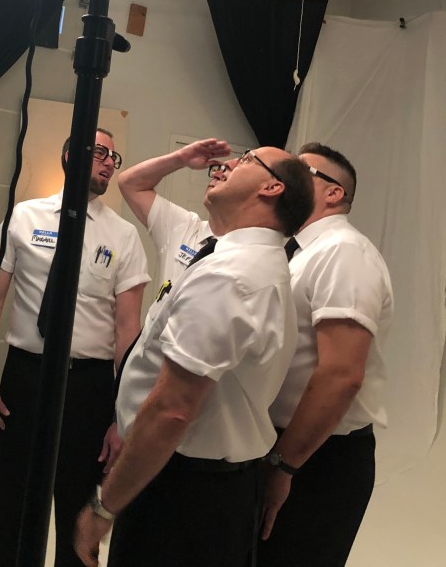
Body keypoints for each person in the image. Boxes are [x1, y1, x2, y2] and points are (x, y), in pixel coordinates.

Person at [74, 147, 315, 567]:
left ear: (272, 187)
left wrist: (103, 509)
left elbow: (172, 410)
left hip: (184, 493)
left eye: (245, 160)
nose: (226, 165)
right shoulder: (246, 261)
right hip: (203, 486)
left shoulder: (230, 275)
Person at [0, 127, 150, 567]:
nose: (109, 163)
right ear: (70, 155)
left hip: (88, 387)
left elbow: (128, 329)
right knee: (12, 501)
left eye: (114, 158)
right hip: (26, 378)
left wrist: (122, 415)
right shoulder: (24, 217)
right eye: (100, 152)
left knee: (76, 506)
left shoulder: (123, 235)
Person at [258, 142, 394, 567]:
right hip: (289, 446)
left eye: (300, 172)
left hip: (316, 458)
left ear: (334, 193)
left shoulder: (343, 252)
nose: (284, 180)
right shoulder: (303, 251)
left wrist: (284, 465)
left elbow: (341, 375)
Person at [118, 137, 232, 285]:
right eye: (219, 169)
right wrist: (181, 158)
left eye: (228, 173)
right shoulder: (185, 227)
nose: (216, 174)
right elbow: (129, 184)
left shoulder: (249, 251)